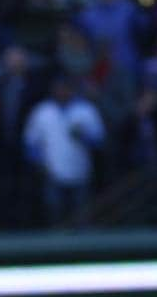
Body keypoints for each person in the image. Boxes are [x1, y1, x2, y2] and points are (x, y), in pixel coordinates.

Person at [23, 73, 106, 224]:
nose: (61, 92)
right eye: (58, 89)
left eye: (65, 89)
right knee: (55, 212)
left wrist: (83, 137)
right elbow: (30, 142)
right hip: (53, 172)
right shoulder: (42, 111)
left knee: (82, 214)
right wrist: (39, 163)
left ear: (72, 90)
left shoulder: (85, 110)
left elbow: (99, 141)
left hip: (80, 171)